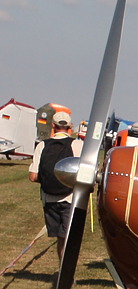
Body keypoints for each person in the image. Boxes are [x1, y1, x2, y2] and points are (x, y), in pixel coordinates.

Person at [29, 104, 82, 263]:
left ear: (53, 125)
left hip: (49, 199)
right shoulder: (77, 145)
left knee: (60, 236)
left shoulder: (42, 145)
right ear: (70, 127)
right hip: (69, 198)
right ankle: (65, 272)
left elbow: (32, 176)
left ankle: (62, 269)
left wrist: (47, 179)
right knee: (66, 236)